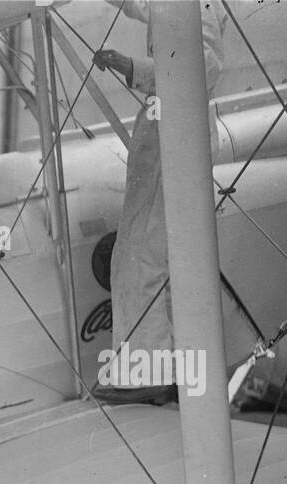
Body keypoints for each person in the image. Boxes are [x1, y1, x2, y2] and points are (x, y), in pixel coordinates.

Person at [92, 0, 226, 403]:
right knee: (152, 254)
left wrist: (133, 67)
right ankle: (160, 367)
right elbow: (145, 5)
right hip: (171, 128)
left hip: (175, 132)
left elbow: (203, 69)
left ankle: (148, 374)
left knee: (140, 255)